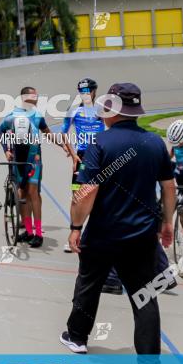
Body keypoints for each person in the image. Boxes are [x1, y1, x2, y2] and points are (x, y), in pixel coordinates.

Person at [61, 83, 174, 364]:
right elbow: (168, 186)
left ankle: (77, 338)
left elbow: (87, 190)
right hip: (142, 236)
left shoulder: (100, 143)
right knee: (144, 297)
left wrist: (75, 227)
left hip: (103, 233)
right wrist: (168, 222)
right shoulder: (154, 142)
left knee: (89, 284)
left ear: (111, 108)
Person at [0, 86, 75, 248]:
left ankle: (38, 233)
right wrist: (6, 151)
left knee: (33, 192)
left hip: (34, 158)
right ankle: (28, 231)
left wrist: (62, 145)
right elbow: (1, 132)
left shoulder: (37, 115)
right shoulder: (10, 116)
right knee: (24, 193)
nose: (37, 98)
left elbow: (48, 132)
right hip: (18, 158)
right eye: (35, 96)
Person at [61, 78, 104, 253]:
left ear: (94, 91)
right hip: (82, 156)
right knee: (76, 196)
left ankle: (94, 236)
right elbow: (63, 133)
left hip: (100, 156)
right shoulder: (74, 110)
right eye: (82, 91)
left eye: (87, 91)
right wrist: (72, 156)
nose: (85, 94)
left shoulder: (102, 110)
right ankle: (74, 233)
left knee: (99, 197)